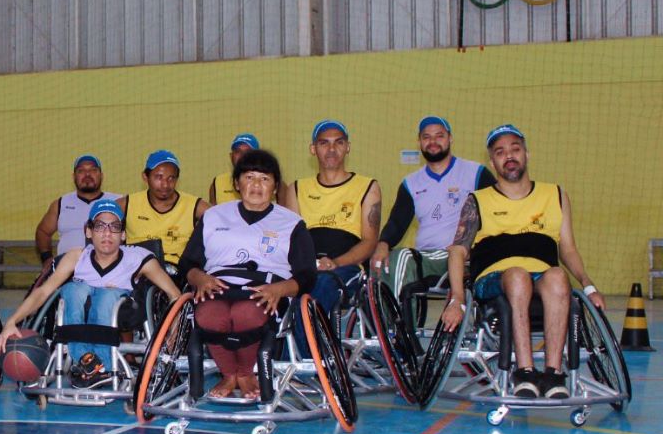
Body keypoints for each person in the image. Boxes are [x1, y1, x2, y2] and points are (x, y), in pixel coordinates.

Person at [439, 124, 603, 399]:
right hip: (495, 279)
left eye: (515, 149)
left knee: (558, 277)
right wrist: (457, 298)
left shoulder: (556, 195)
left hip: (541, 276)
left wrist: (588, 285)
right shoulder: (477, 200)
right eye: (501, 152)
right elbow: (457, 250)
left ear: (526, 153)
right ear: (492, 161)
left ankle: (553, 374)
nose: (509, 156)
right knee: (517, 275)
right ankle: (524, 371)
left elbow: (569, 249)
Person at [179, 150, 316, 398]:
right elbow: (187, 262)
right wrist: (199, 278)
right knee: (209, 315)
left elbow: (307, 274)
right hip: (219, 287)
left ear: (275, 186)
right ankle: (229, 374)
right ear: (236, 183)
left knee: (245, 314)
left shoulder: (291, 223)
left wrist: (280, 290)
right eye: (249, 177)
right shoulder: (213, 216)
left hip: (266, 290)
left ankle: (244, 374)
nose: (256, 185)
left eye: (264, 179)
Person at [0, 198, 179, 387]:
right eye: (100, 226)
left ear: (123, 235)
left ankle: (101, 365)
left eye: (114, 227)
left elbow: (174, 295)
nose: (107, 233)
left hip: (123, 312)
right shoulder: (77, 257)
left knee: (105, 296)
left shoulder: (139, 258)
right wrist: (13, 321)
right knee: (71, 289)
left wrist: (173, 333)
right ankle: (86, 360)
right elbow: (44, 291)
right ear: (88, 231)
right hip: (80, 310)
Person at [371, 116, 494, 297]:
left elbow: (495, 212)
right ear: (419, 142)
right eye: (426, 137)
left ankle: (396, 325)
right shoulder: (411, 183)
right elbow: (397, 222)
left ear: (450, 138)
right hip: (425, 257)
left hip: (459, 256)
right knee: (381, 263)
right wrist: (382, 245)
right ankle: (396, 322)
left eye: (439, 136)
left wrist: (475, 248)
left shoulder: (476, 172)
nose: (433, 142)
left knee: (402, 258)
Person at [282, 120, 381, 319]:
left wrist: (335, 262)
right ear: (313, 149)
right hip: (307, 266)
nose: (332, 149)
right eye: (324, 143)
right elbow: (289, 240)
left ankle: (310, 349)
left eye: (339, 143)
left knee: (317, 292)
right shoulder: (297, 188)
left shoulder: (368, 186)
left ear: (347, 147)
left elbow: (370, 241)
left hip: (345, 267)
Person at [118, 150, 209, 267]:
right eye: (159, 177)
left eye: (171, 178)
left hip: (177, 273)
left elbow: (225, 219)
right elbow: (95, 224)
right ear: (145, 177)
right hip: (135, 270)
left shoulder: (195, 205)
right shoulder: (127, 204)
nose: (165, 185)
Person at [33, 154, 121, 266]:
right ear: (74, 176)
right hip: (68, 272)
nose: (87, 174)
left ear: (101, 175)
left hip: (109, 270)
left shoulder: (118, 202)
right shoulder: (61, 204)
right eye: (81, 171)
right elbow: (43, 232)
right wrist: (46, 258)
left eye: (93, 170)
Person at [208, 133, 260, 205]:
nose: (243, 155)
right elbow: (212, 214)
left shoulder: (271, 181)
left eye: (248, 152)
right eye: (238, 151)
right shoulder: (217, 183)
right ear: (231, 156)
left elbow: (281, 213)